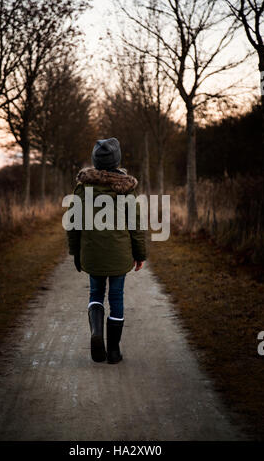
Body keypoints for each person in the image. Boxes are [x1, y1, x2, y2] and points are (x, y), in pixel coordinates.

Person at [67, 138, 146, 364]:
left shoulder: (83, 190)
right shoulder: (126, 191)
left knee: (95, 293)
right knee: (116, 296)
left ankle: (96, 333)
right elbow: (136, 226)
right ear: (116, 160)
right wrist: (140, 254)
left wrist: (76, 253)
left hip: (92, 254)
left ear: (95, 161)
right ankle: (113, 352)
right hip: (119, 255)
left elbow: (73, 225)